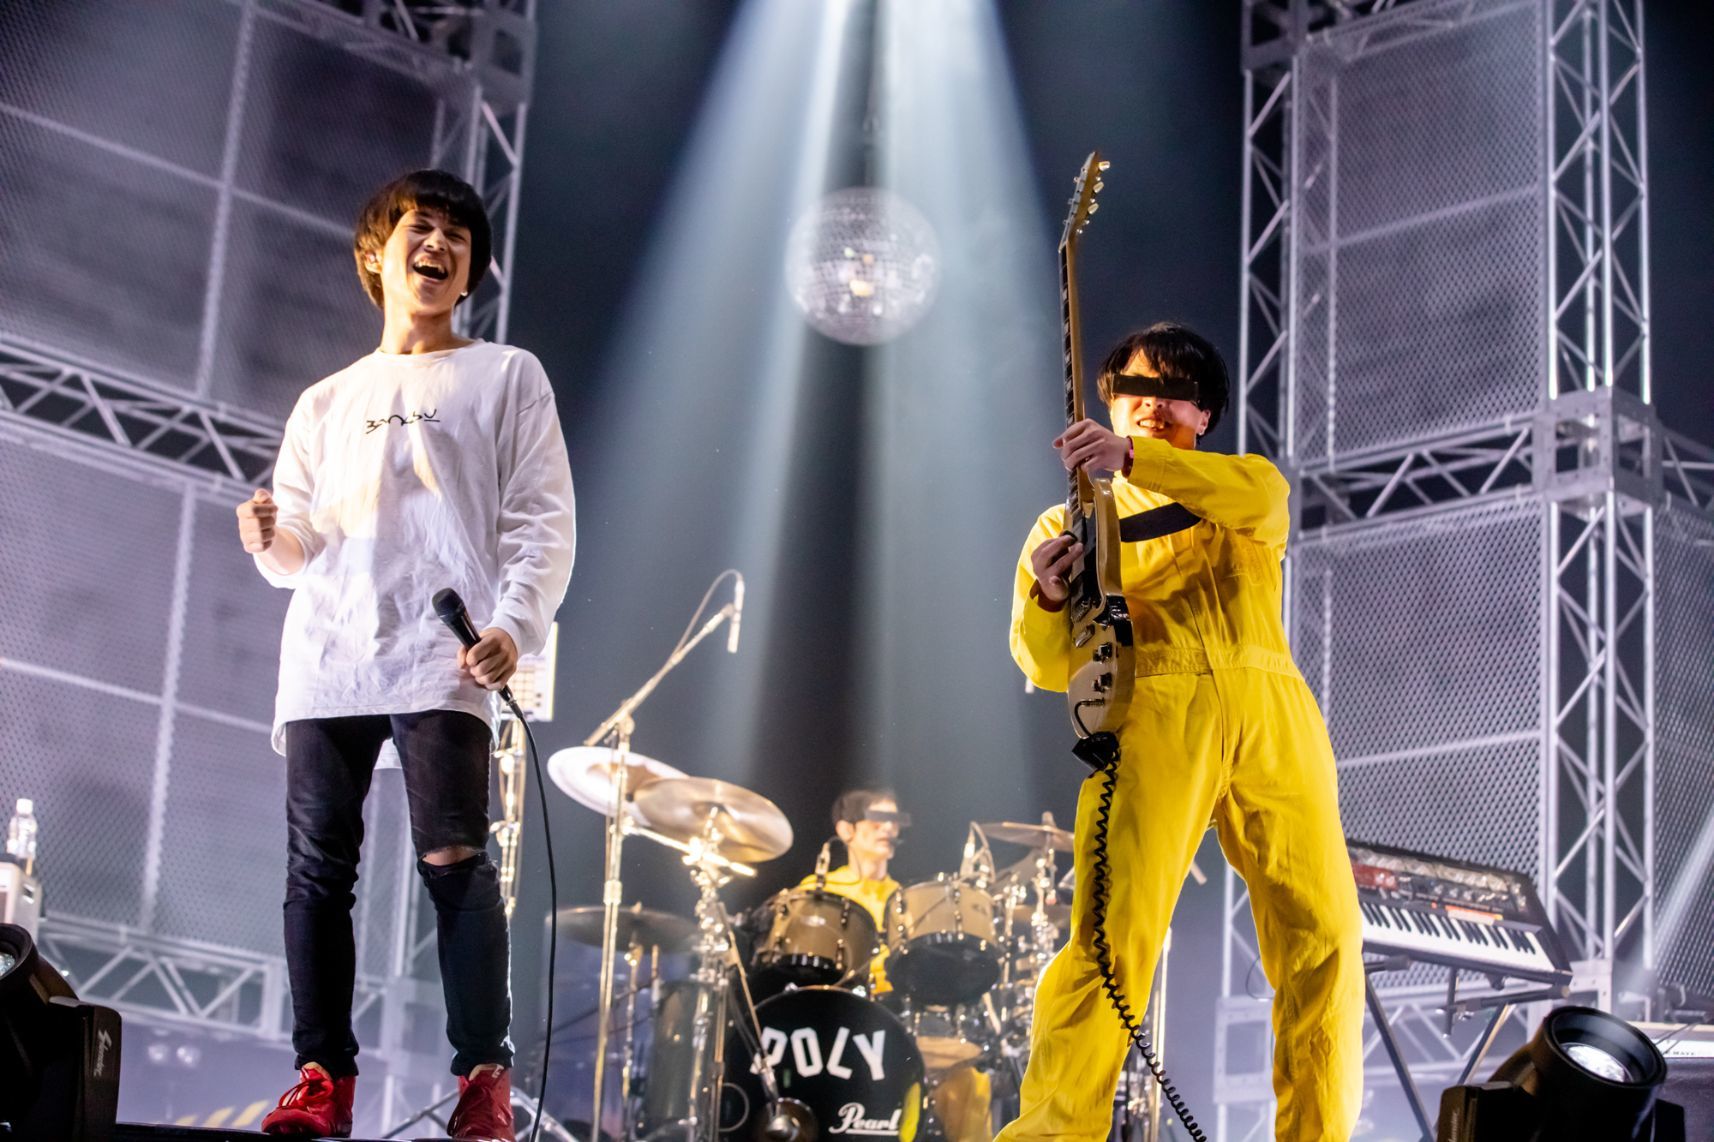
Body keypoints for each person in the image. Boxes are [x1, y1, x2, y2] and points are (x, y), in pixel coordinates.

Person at [235, 169, 576, 1141]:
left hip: (442, 649)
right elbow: (297, 550)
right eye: (420, 228)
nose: (439, 245)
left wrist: (514, 623)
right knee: (316, 868)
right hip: (328, 653)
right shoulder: (325, 399)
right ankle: (321, 1078)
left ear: (469, 272)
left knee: (454, 857)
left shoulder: (507, 374)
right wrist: (268, 536)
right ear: (374, 255)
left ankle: (483, 1081)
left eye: (457, 237)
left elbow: (541, 518)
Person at [998, 322, 1362, 1141]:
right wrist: (1050, 598)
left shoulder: (1241, 483)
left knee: (1327, 939)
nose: (1153, 404)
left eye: (1175, 393)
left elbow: (1265, 504)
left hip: (1272, 707)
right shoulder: (1066, 523)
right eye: (1136, 389)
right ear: (1107, 402)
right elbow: (1047, 664)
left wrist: (1136, 461)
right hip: (1154, 710)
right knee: (1110, 941)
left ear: (1205, 414)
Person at [797, 791, 991, 1142]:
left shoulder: (908, 900)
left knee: (969, 1082)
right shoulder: (817, 890)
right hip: (837, 1021)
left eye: (894, 821)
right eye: (877, 820)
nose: (888, 828)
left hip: (898, 1018)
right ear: (845, 830)